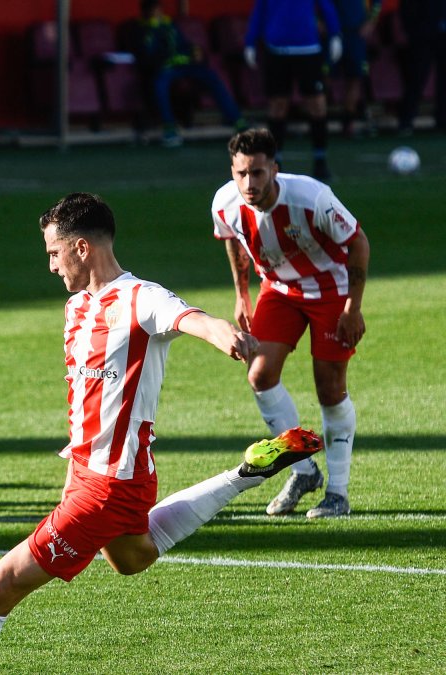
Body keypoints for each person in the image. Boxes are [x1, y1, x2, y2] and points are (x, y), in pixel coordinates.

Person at [0, 192, 322, 674]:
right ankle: (246, 473)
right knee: (132, 558)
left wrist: (222, 332)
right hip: (98, 475)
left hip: (109, 485)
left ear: (82, 248)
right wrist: (73, 474)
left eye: (53, 252)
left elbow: (188, 317)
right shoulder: (76, 309)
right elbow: (84, 407)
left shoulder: (140, 298)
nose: (50, 266)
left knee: (2, 584)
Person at [212, 128, 368, 519]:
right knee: (259, 374)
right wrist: (241, 293)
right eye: (241, 173)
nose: (249, 183)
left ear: (275, 170)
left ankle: (338, 493)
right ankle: (303, 471)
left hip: (332, 289)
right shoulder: (225, 203)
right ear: (232, 171)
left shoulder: (312, 198)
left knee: (330, 389)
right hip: (279, 290)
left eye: (258, 173)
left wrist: (353, 307)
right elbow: (231, 238)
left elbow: (358, 242)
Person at [243, 0, 342, 180]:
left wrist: (335, 33)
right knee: (277, 105)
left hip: (308, 49)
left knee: (317, 104)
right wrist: (250, 40)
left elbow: (326, 5)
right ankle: (275, 162)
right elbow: (259, 11)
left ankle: (320, 161)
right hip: (277, 50)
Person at [134, 0, 247, 147]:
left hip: (186, 65)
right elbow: (147, 53)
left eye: (159, 10)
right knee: (159, 85)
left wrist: (195, 50)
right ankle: (169, 127)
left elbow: (183, 43)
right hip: (164, 68)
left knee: (211, 77)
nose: (158, 14)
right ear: (147, 12)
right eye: (155, 11)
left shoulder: (170, 25)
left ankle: (237, 121)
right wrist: (153, 31)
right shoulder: (141, 29)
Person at [331, 0, 382, 137]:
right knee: (324, 78)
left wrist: (371, 22)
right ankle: (319, 120)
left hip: (355, 33)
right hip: (331, 33)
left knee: (355, 78)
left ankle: (348, 123)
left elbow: (377, 3)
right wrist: (318, 21)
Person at [396, 0, 446, 134]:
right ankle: (406, 120)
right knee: (417, 78)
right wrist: (413, 32)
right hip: (423, 36)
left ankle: (442, 120)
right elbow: (406, 8)